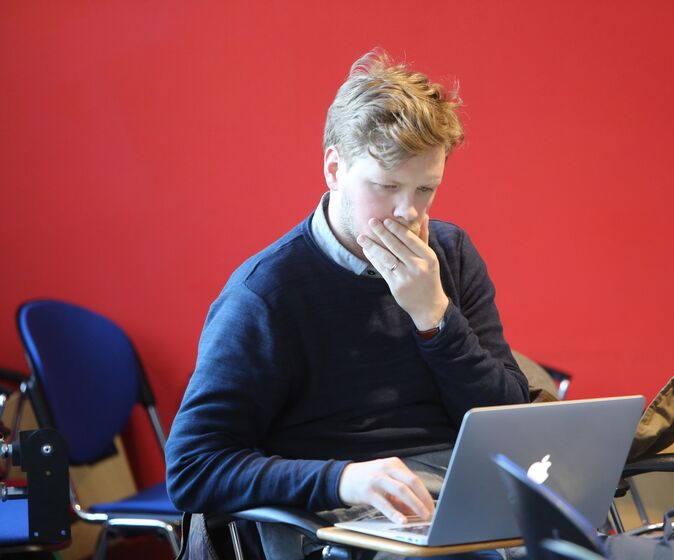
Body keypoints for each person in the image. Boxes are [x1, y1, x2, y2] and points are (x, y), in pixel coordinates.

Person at [166, 49, 530, 560]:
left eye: (426, 189)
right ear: (334, 169)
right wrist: (343, 479)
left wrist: (434, 319)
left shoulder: (451, 254)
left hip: (457, 495)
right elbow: (192, 468)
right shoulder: (266, 293)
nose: (408, 212)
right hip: (336, 519)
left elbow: (509, 423)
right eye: (386, 186)